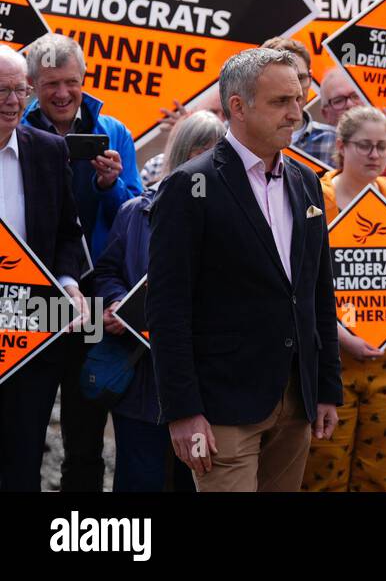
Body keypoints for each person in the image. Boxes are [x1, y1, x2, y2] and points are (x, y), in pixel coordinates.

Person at [148, 47, 342, 491]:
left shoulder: (307, 181)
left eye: (298, 99)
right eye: (280, 102)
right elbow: (167, 307)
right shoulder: (187, 186)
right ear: (237, 106)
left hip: (296, 399)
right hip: (221, 408)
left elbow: (317, 293)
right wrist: (182, 410)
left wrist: (326, 386)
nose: (296, 114)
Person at [24, 32, 142, 492]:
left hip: (91, 297)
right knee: (22, 422)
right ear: (32, 83)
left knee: (86, 428)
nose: (62, 93)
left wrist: (110, 184)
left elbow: (133, 218)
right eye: (51, 83)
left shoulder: (113, 133)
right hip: (32, 294)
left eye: (71, 82)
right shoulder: (15, 125)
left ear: (84, 79)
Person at [95, 111, 226, 492]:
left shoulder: (236, 221)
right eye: (200, 155)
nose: (206, 167)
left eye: (217, 157)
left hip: (207, 384)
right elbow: (106, 273)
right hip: (142, 381)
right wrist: (118, 303)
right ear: (180, 155)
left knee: (198, 479)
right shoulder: (135, 213)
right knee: (141, 478)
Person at [301, 107, 386, 491]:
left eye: (382, 147)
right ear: (340, 146)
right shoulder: (312, 200)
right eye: (364, 146)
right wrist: (340, 335)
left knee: (385, 476)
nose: (374, 155)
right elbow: (299, 282)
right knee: (321, 472)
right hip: (330, 356)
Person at [0, 46, 89, 491]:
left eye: (20, 89)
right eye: (2, 89)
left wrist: (69, 284)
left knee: (22, 456)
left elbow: (66, 234)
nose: (12, 100)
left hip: (31, 329)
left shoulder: (49, 151)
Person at [263, 37, 336, 165]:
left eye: (300, 78)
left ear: (310, 79)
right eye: (283, 78)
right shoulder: (239, 137)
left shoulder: (334, 141)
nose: (294, 88)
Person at [140, 87, 225, 187]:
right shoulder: (155, 165)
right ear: (191, 113)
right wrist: (179, 136)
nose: (220, 120)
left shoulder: (231, 166)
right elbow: (145, 200)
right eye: (212, 112)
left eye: (225, 115)